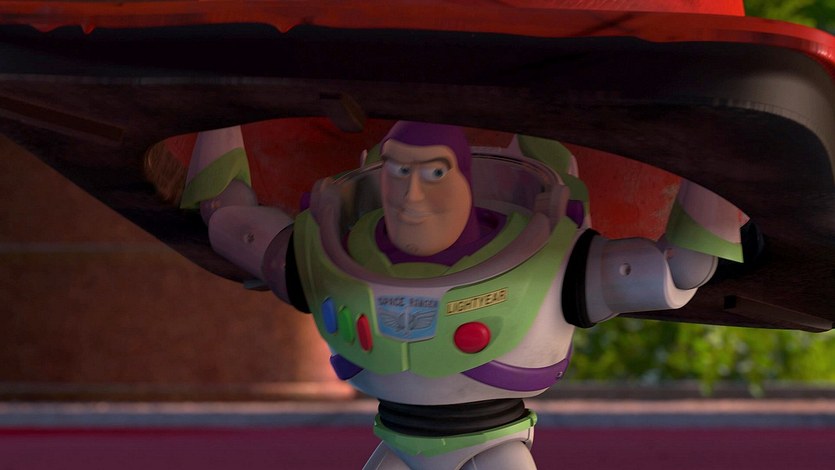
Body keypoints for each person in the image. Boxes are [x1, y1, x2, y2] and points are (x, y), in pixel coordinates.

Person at [182, 121, 743, 469]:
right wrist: (216, 109)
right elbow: (227, 220)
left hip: (494, 449)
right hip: (397, 442)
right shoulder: (329, 252)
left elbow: (680, 269)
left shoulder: (553, 260)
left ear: (464, 180)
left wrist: (715, 140)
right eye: (397, 171)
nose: (409, 195)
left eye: (432, 174)